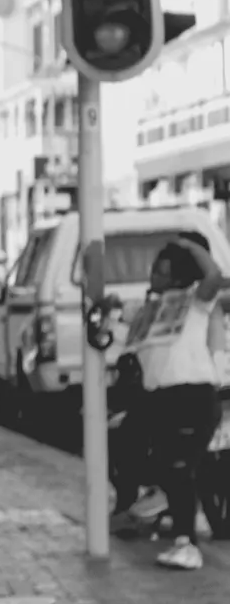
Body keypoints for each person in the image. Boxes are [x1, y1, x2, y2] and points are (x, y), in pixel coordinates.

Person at [122, 234, 226, 570]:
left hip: (192, 395)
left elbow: (214, 275)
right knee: (160, 463)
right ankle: (178, 527)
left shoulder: (196, 301)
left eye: (163, 273)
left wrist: (188, 246)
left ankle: (188, 545)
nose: (156, 278)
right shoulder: (154, 309)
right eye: (155, 271)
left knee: (180, 468)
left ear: (180, 275)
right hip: (161, 399)